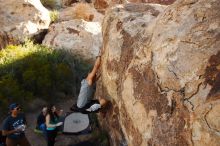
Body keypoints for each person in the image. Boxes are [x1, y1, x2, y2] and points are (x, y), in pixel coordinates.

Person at [70, 47, 108, 113]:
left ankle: (99, 109)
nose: (91, 73)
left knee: (101, 102)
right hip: (84, 108)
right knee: (104, 101)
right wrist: (99, 55)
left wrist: (99, 74)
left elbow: (95, 78)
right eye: (90, 73)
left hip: (84, 104)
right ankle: (100, 109)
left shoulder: (88, 82)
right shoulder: (88, 80)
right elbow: (96, 67)